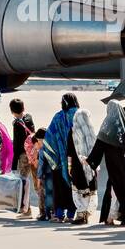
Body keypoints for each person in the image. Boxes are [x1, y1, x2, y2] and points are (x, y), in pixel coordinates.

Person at [43, 93, 96, 223]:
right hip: (78, 159)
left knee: (60, 188)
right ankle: (72, 214)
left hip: (61, 160)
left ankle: (59, 214)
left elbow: (49, 137)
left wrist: (56, 157)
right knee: (76, 187)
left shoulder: (57, 117)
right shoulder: (80, 115)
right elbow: (89, 137)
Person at [93, 98, 125, 227]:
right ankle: (122, 216)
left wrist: (91, 161)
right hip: (124, 162)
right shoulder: (123, 124)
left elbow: (99, 145)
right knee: (121, 188)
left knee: (115, 189)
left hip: (113, 163)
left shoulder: (107, 125)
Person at [9, 99, 37, 218]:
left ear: (12, 111)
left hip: (24, 156)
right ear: (23, 108)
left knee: (24, 183)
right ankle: (46, 210)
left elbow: (16, 145)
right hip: (34, 153)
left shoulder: (16, 124)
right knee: (37, 182)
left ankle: (27, 210)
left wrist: (14, 164)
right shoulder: (29, 117)